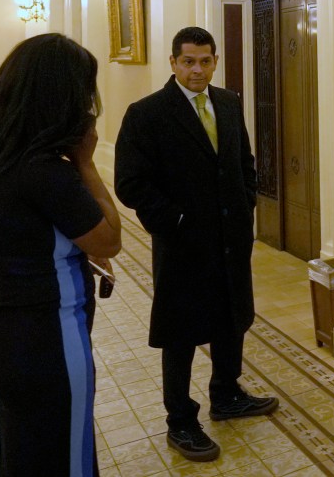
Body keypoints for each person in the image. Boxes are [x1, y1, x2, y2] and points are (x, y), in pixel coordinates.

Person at [0, 34, 121, 476]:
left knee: (20, 457)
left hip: (5, 330)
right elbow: (108, 240)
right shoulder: (44, 171)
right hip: (48, 339)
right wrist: (86, 162)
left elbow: (26, 236)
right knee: (65, 460)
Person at [114, 26, 278, 462]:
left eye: (206, 61)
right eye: (188, 61)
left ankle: (227, 395)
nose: (197, 70)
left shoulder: (227, 102)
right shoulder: (146, 113)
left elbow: (244, 162)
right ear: (172, 62)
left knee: (231, 316)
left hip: (231, 238)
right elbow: (130, 183)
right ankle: (181, 420)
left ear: (215, 61)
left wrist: (245, 205)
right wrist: (176, 220)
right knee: (181, 331)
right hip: (183, 244)